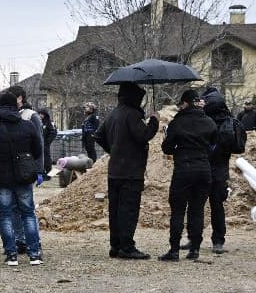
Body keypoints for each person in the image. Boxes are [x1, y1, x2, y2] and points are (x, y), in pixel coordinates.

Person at [93, 83, 159, 260]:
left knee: (115, 209)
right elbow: (143, 135)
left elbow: (98, 136)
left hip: (114, 170)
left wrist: (114, 150)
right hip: (131, 171)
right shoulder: (132, 114)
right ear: (134, 97)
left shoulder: (113, 114)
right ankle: (127, 247)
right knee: (128, 209)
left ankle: (115, 246)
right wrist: (154, 121)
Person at [0, 92, 45, 266]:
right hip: (24, 177)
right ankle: (35, 254)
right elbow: (38, 151)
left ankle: (11, 254)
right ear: (17, 106)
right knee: (28, 214)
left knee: (5, 216)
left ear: (0, 106)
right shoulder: (28, 126)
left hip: (2, 178)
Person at [159, 90, 217, 261]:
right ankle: (195, 249)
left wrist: (166, 135)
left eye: (180, 104)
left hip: (183, 170)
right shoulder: (209, 122)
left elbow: (167, 149)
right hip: (203, 170)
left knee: (177, 210)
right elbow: (214, 145)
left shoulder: (178, 122)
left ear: (185, 103)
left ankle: (174, 250)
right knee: (197, 210)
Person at [5, 85, 45, 253]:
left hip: (25, 168)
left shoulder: (31, 116)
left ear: (20, 98)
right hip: (10, 168)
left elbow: (39, 144)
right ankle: (19, 239)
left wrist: (39, 169)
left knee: (26, 208)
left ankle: (33, 242)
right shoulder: (9, 116)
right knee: (13, 207)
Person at [201, 87, 232, 254]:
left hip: (204, 164)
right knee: (217, 205)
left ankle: (193, 238)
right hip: (221, 167)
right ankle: (218, 241)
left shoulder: (204, 118)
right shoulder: (227, 118)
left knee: (196, 204)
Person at [38, 108, 58, 178]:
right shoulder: (41, 122)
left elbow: (53, 132)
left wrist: (48, 141)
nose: (40, 115)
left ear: (45, 114)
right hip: (41, 143)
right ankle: (43, 172)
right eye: (39, 114)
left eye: (41, 114)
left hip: (45, 143)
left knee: (46, 158)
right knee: (42, 158)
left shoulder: (49, 122)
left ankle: (49, 173)